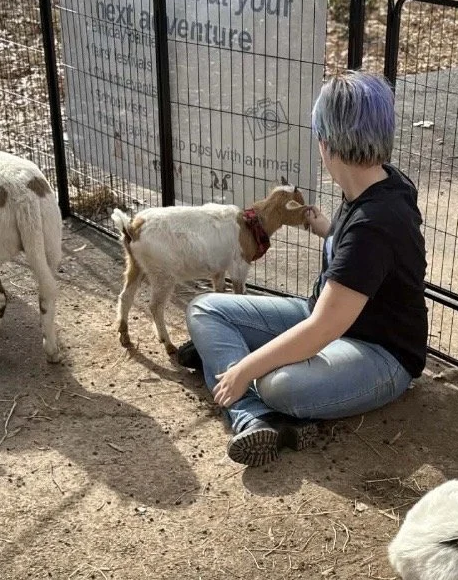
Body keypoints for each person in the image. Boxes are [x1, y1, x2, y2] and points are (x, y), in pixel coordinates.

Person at [182, 70, 429, 467]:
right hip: (328, 318)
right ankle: (253, 413)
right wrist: (328, 230)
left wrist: (244, 367)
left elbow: (321, 329)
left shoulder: (375, 223)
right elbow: (361, 259)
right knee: (204, 308)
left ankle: (246, 398)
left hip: (381, 355)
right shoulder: (376, 185)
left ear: (326, 142)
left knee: (276, 383)